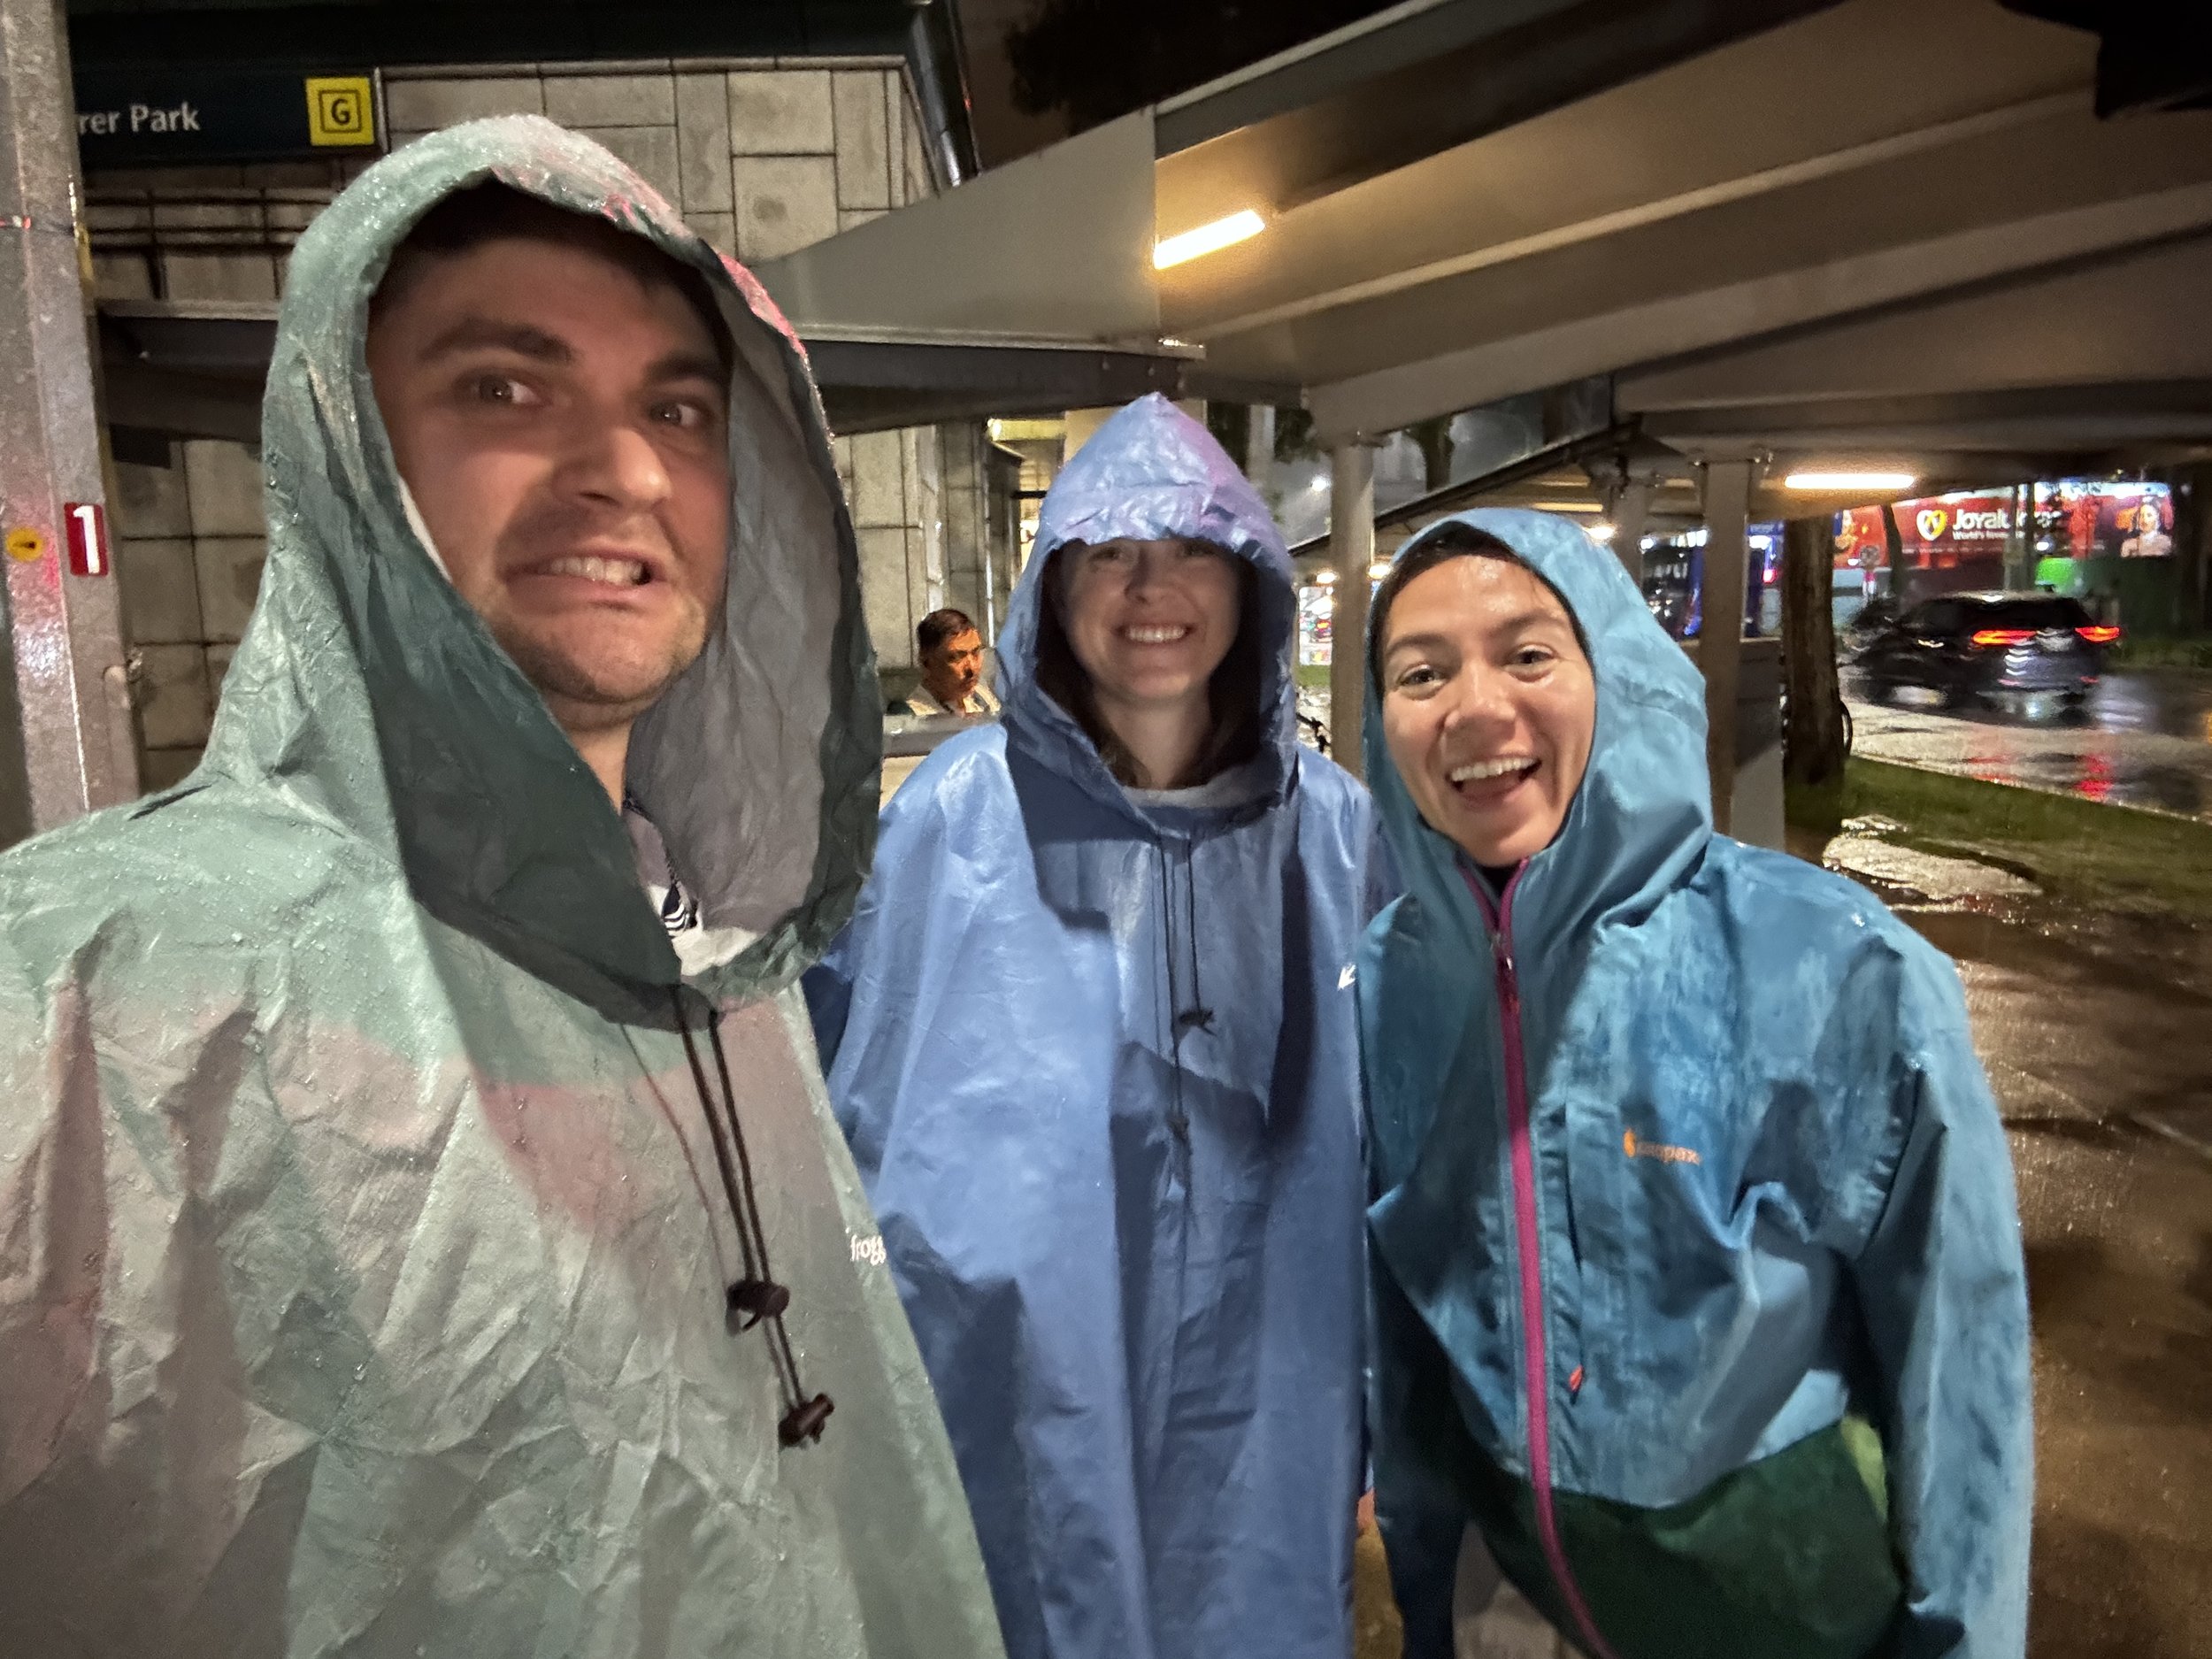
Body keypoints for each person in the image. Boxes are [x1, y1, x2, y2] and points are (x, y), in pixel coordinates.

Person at [0, 118, 1005, 1658]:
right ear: (348, 446)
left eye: (678, 408)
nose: (621, 470)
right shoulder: (80, 987)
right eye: (503, 387)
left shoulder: (717, 945)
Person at [1358, 511, 2031, 1659]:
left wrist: (1963, 1635)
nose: (1474, 706)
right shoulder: (1387, 984)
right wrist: (1432, 1594)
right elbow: (1409, 1338)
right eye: (1421, 671)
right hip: (1512, 1597)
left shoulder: (1830, 964)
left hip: (1776, 1604)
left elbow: (1960, 1352)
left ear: (1616, 674)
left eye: (1528, 653)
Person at [806, 395, 1378, 1659]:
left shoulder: (1332, 837)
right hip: (1020, 1382)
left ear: (1250, 585)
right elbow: (833, 1071)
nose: (1149, 587)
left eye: (1187, 550)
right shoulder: (955, 819)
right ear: (1052, 591)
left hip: (1270, 1398)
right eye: (1109, 553)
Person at [903, 606, 1001, 716]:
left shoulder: (983, 699)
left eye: (975, 653)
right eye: (957, 657)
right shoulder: (913, 716)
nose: (972, 668)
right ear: (927, 662)